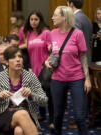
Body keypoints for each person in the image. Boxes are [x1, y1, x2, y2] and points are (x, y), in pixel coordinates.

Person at [45, 6, 91, 135]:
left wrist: (87, 79)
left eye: (55, 15)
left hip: (76, 78)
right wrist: (47, 61)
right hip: (57, 79)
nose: (52, 18)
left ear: (64, 17)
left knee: (79, 116)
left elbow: (83, 57)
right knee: (58, 115)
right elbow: (54, 53)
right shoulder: (52, 33)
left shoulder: (78, 33)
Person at [0, 46, 48, 135]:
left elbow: (44, 101)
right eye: (13, 57)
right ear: (6, 62)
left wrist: (31, 95)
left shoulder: (31, 77)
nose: (18, 60)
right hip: (3, 114)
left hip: (27, 113)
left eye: (20, 56)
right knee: (22, 114)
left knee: (19, 131)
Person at [21, 10, 54, 130]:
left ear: (40, 20)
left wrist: (51, 49)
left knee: (48, 94)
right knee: (37, 93)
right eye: (31, 19)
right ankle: (43, 114)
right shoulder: (28, 33)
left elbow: (52, 50)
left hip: (45, 68)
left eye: (36, 19)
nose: (33, 22)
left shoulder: (46, 33)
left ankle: (52, 120)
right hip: (33, 68)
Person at [67, 0, 92, 66]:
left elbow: (75, 42)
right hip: (87, 59)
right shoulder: (87, 19)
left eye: (67, 3)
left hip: (78, 62)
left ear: (71, 4)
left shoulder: (74, 19)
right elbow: (90, 41)